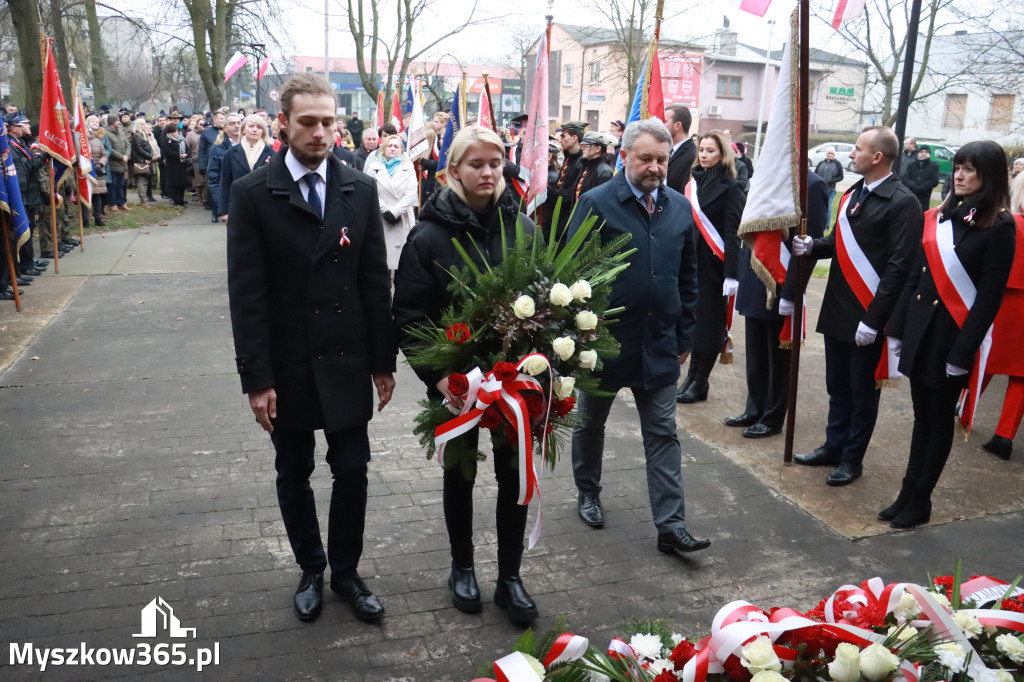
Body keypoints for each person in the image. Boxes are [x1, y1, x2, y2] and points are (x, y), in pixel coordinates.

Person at [226, 73, 396, 624]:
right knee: (293, 472)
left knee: (352, 470)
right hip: (289, 366)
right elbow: (246, 296)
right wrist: (256, 379)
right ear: (284, 123)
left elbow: (375, 283)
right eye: (309, 122)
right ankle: (310, 568)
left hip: (346, 360)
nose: (321, 133)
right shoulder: (254, 194)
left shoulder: (359, 189)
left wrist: (382, 362)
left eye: (329, 122)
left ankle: (345, 571)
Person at [392, 126, 540, 623]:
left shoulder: (522, 228)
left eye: (495, 163)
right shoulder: (429, 235)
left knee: (512, 474)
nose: (487, 172)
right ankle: (462, 567)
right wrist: (440, 379)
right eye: (476, 164)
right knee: (460, 474)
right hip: (457, 382)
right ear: (453, 170)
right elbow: (411, 317)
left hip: (512, 382)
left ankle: (510, 576)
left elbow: (547, 299)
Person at [568, 118, 711, 556]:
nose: (654, 167)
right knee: (591, 422)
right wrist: (579, 336)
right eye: (645, 158)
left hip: (660, 343)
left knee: (663, 433)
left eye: (662, 159)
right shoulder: (595, 203)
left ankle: (671, 525)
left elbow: (689, 277)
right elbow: (573, 273)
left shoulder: (680, 208)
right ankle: (588, 492)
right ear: (625, 156)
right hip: (605, 343)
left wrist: (685, 333)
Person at [882, 141, 1015, 528]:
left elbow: (989, 300)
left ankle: (921, 500)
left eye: (969, 169)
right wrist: (898, 328)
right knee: (922, 418)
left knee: (939, 422)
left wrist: (961, 353)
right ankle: (907, 492)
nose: (958, 175)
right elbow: (915, 277)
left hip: (951, 339)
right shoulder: (941, 216)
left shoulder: (1000, 226)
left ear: (988, 176)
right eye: (957, 167)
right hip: (923, 332)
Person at [791, 126, 922, 486]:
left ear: (878, 157)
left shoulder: (903, 202)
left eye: (858, 149)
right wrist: (813, 246)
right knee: (838, 386)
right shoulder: (852, 193)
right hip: (838, 307)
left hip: (867, 314)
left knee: (863, 393)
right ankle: (833, 447)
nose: (851, 154)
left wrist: (875, 319)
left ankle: (852, 459)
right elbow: (839, 241)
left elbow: (899, 266)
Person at [726, 171, 829, 438]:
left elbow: (809, 243)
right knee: (756, 352)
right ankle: (754, 407)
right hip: (756, 272)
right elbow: (750, 228)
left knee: (778, 356)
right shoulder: (767, 174)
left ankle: (772, 417)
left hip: (783, 280)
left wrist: (793, 292)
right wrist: (740, 274)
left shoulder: (812, 185)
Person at [676, 131, 745, 404]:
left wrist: (731, 273)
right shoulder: (692, 182)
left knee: (709, 326)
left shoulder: (731, 186)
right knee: (693, 323)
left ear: (722, 154)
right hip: (691, 262)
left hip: (714, 266)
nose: (704, 155)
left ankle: (701, 380)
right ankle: (691, 378)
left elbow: (732, 233)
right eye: (702, 150)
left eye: (710, 151)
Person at [363, 135, 417, 277]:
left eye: (396, 146)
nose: (392, 149)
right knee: (382, 264)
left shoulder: (408, 168)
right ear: (384, 148)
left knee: (402, 265)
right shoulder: (373, 168)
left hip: (402, 219)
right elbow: (370, 191)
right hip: (381, 219)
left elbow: (411, 193)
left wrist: (395, 212)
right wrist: (386, 211)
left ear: (401, 150)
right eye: (389, 146)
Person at [218, 114, 274, 220]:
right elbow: (225, 182)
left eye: (259, 127)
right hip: (238, 206)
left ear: (263, 131)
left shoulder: (271, 154)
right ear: (243, 130)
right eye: (251, 126)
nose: (255, 130)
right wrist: (224, 211)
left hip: (265, 208)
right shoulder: (231, 153)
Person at [548, 121, 587, 239]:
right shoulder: (569, 157)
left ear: (574, 138)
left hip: (567, 222)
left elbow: (570, 194)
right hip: (558, 218)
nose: (560, 140)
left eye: (563, 136)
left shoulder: (581, 162)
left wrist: (548, 190)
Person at [207, 112, 241, 223]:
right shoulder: (217, 148)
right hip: (230, 199)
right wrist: (222, 207)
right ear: (224, 128)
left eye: (239, 123)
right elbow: (214, 178)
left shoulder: (251, 144)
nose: (237, 126)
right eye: (232, 123)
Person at [664, 104, 696, 192]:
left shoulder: (693, 155)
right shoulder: (666, 150)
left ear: (677, 126)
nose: (661, 125)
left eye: (665, 121)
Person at [574, 131, 615, 198]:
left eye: (586, 146)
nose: (582, 148)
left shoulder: (605, 172)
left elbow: (602, 200)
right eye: (582, 145)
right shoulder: (585, 166)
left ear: (597, 148)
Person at [104, 113, 131, 213]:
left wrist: (126, 156)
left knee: (121, 184)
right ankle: (113, 204)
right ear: (111, 122)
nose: (119, 122)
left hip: (123, 163)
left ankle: (122, 203)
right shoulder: (106, 133)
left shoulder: (120, 131)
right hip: (112, 163)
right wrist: (121, 157)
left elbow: (128, 144)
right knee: (113, 185)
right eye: (117, 121)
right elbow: (109, 148)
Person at [902, 144, 940, 211]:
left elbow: (934, 180)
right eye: (921, 152)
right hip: (911, 194)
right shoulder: (911, 165)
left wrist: (921, 188)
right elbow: (905, 178)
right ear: (918, 153)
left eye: (926, 152)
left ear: (929, 154)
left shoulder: (934, 166)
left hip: (924, 196)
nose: (923, 154)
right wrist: (914, 187)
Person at [86, 116, 108, 226]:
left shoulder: (97, 139)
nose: (95, 123)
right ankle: (85, 219)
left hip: (97, 170)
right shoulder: (81, 138)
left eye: (97, 122)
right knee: (86, 194)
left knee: (97, 195)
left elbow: (104, 154)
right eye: (92, 121)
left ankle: (98, 218)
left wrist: (100, 164)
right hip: (86, 171)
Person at [162, 123, 190, 207]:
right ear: (170, 133)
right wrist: (178, 155)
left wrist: (186, 155)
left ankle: (181, 200)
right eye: (174, 132)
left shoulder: (182, 139)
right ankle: (175, 200)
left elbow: (187, 149)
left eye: (177, 131)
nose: (176, 133)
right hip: (172, 164)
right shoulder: (167, 140)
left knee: (182, 182)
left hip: (182, 163)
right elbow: (167, 151)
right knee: (174, 183)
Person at [128, 118, 154, 207]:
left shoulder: (144, 134)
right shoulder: (136, 135)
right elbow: (138, 149)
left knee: (145, 180)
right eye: (142, 124)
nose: (145, 126)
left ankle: (145, 199)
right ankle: (143, 201)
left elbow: (148, 147)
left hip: (146, 159)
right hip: (140, 161)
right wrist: (149, 156)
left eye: (145, 124)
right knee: (141, 181)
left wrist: (150, 156)